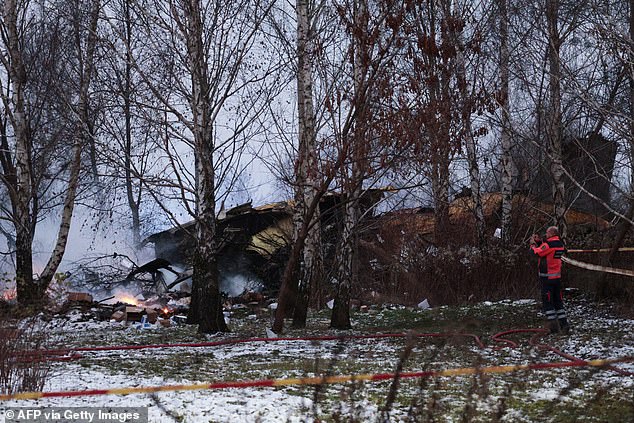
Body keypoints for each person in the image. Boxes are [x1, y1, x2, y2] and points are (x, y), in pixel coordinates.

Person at [529, 226, 570, 334]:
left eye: (547, 233)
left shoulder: (548, 245)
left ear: (551, 233)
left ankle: (553, 327)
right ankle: (564, 325)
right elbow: (546, 250)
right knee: (558, 302)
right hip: (557, 278)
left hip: (546, 278)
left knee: (548, 303)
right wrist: (539, 241)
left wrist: (533, 244)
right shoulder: (560, 244)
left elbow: (537, 253)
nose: (545, 235)